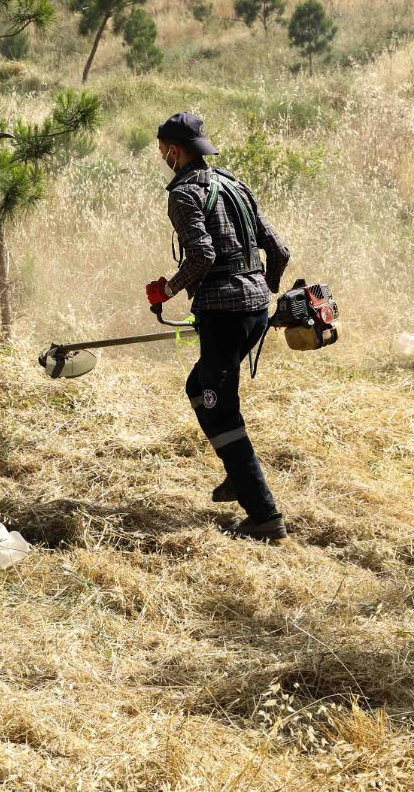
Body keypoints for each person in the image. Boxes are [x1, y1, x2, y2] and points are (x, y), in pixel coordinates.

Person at [148, 112, 291, 542]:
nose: (162, 158)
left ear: (174, 150)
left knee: (214, 403)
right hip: (253, 311)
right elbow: (279, 251)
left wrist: (167, 291)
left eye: (162, 151)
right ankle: (237, 473)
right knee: (205, 388)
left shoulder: (183, 194)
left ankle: (264, 516)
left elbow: (203, 256)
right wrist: (259, 292)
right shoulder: (234, 183)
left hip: (224, 314)